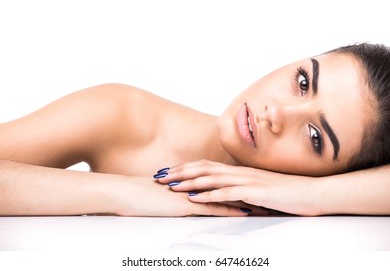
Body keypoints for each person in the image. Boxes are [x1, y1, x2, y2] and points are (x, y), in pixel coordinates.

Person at [0, 43, 389, 216]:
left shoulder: (323, 196)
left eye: (315, 137)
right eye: (303, 81)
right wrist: (121, 192)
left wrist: (311, 195)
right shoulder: (123, 114)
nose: (276, 113)